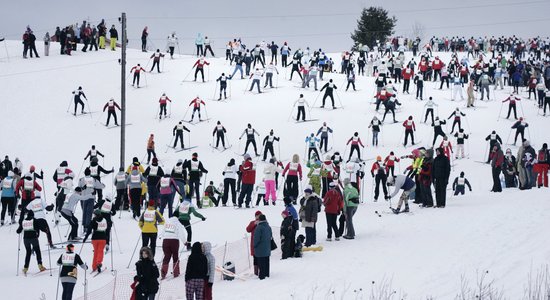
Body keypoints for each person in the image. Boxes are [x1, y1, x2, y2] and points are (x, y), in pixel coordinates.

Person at [16, 210, 46, 274]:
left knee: (28, 253)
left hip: (26, 240)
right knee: (37, 251)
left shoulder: (23, 221)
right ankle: (40, 265)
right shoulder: (34, 220)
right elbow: (40, 227)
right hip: (33, 238)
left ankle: (25, 268)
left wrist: (19, 230)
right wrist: (46, 230)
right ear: (32, 215)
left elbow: (18, 231)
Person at [160, 212, 186, 279]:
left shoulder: (167, 222)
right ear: (178, 217)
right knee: (175, 256)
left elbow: (163, 231)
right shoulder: (178, 223)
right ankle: (176, 273)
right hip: (174, 241)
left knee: (166, 256)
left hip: (165, 241)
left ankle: (163, 273)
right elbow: (181, 233)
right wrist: (185, 242)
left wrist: (161, 236)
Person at [253, 214, 272, 280]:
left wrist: (254, 245)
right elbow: (270, 236)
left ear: (259, 220)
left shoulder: (259, 227)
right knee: (266, 262)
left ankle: (262, 276)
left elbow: (256, 239)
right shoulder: (268, 226)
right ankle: (267, 274)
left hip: (260, 249)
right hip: (267, 248)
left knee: (261, 263)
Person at [246, 211, 262, 275]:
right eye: (257, 215)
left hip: (261, 244)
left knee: (261, 258)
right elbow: (248, 229)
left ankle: (261, 271)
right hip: (254, 244)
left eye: (259, 215)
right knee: (255, 259)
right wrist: (254, 223)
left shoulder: (263, 222)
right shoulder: (253, 222)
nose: (258, 217)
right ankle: (256, 273)